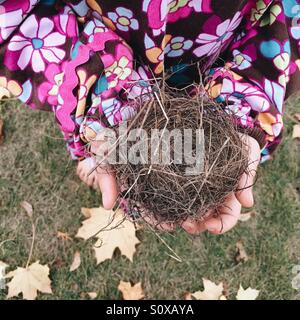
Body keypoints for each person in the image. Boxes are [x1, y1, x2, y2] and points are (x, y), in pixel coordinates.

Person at [1, 0, 299, 234]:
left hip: (213, 48)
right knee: (99, 134)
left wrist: (241, 102)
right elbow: (13, 14)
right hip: (97, 54)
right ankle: (93, 144)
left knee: (182, 131)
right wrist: (102, 97)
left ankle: (102, 138)